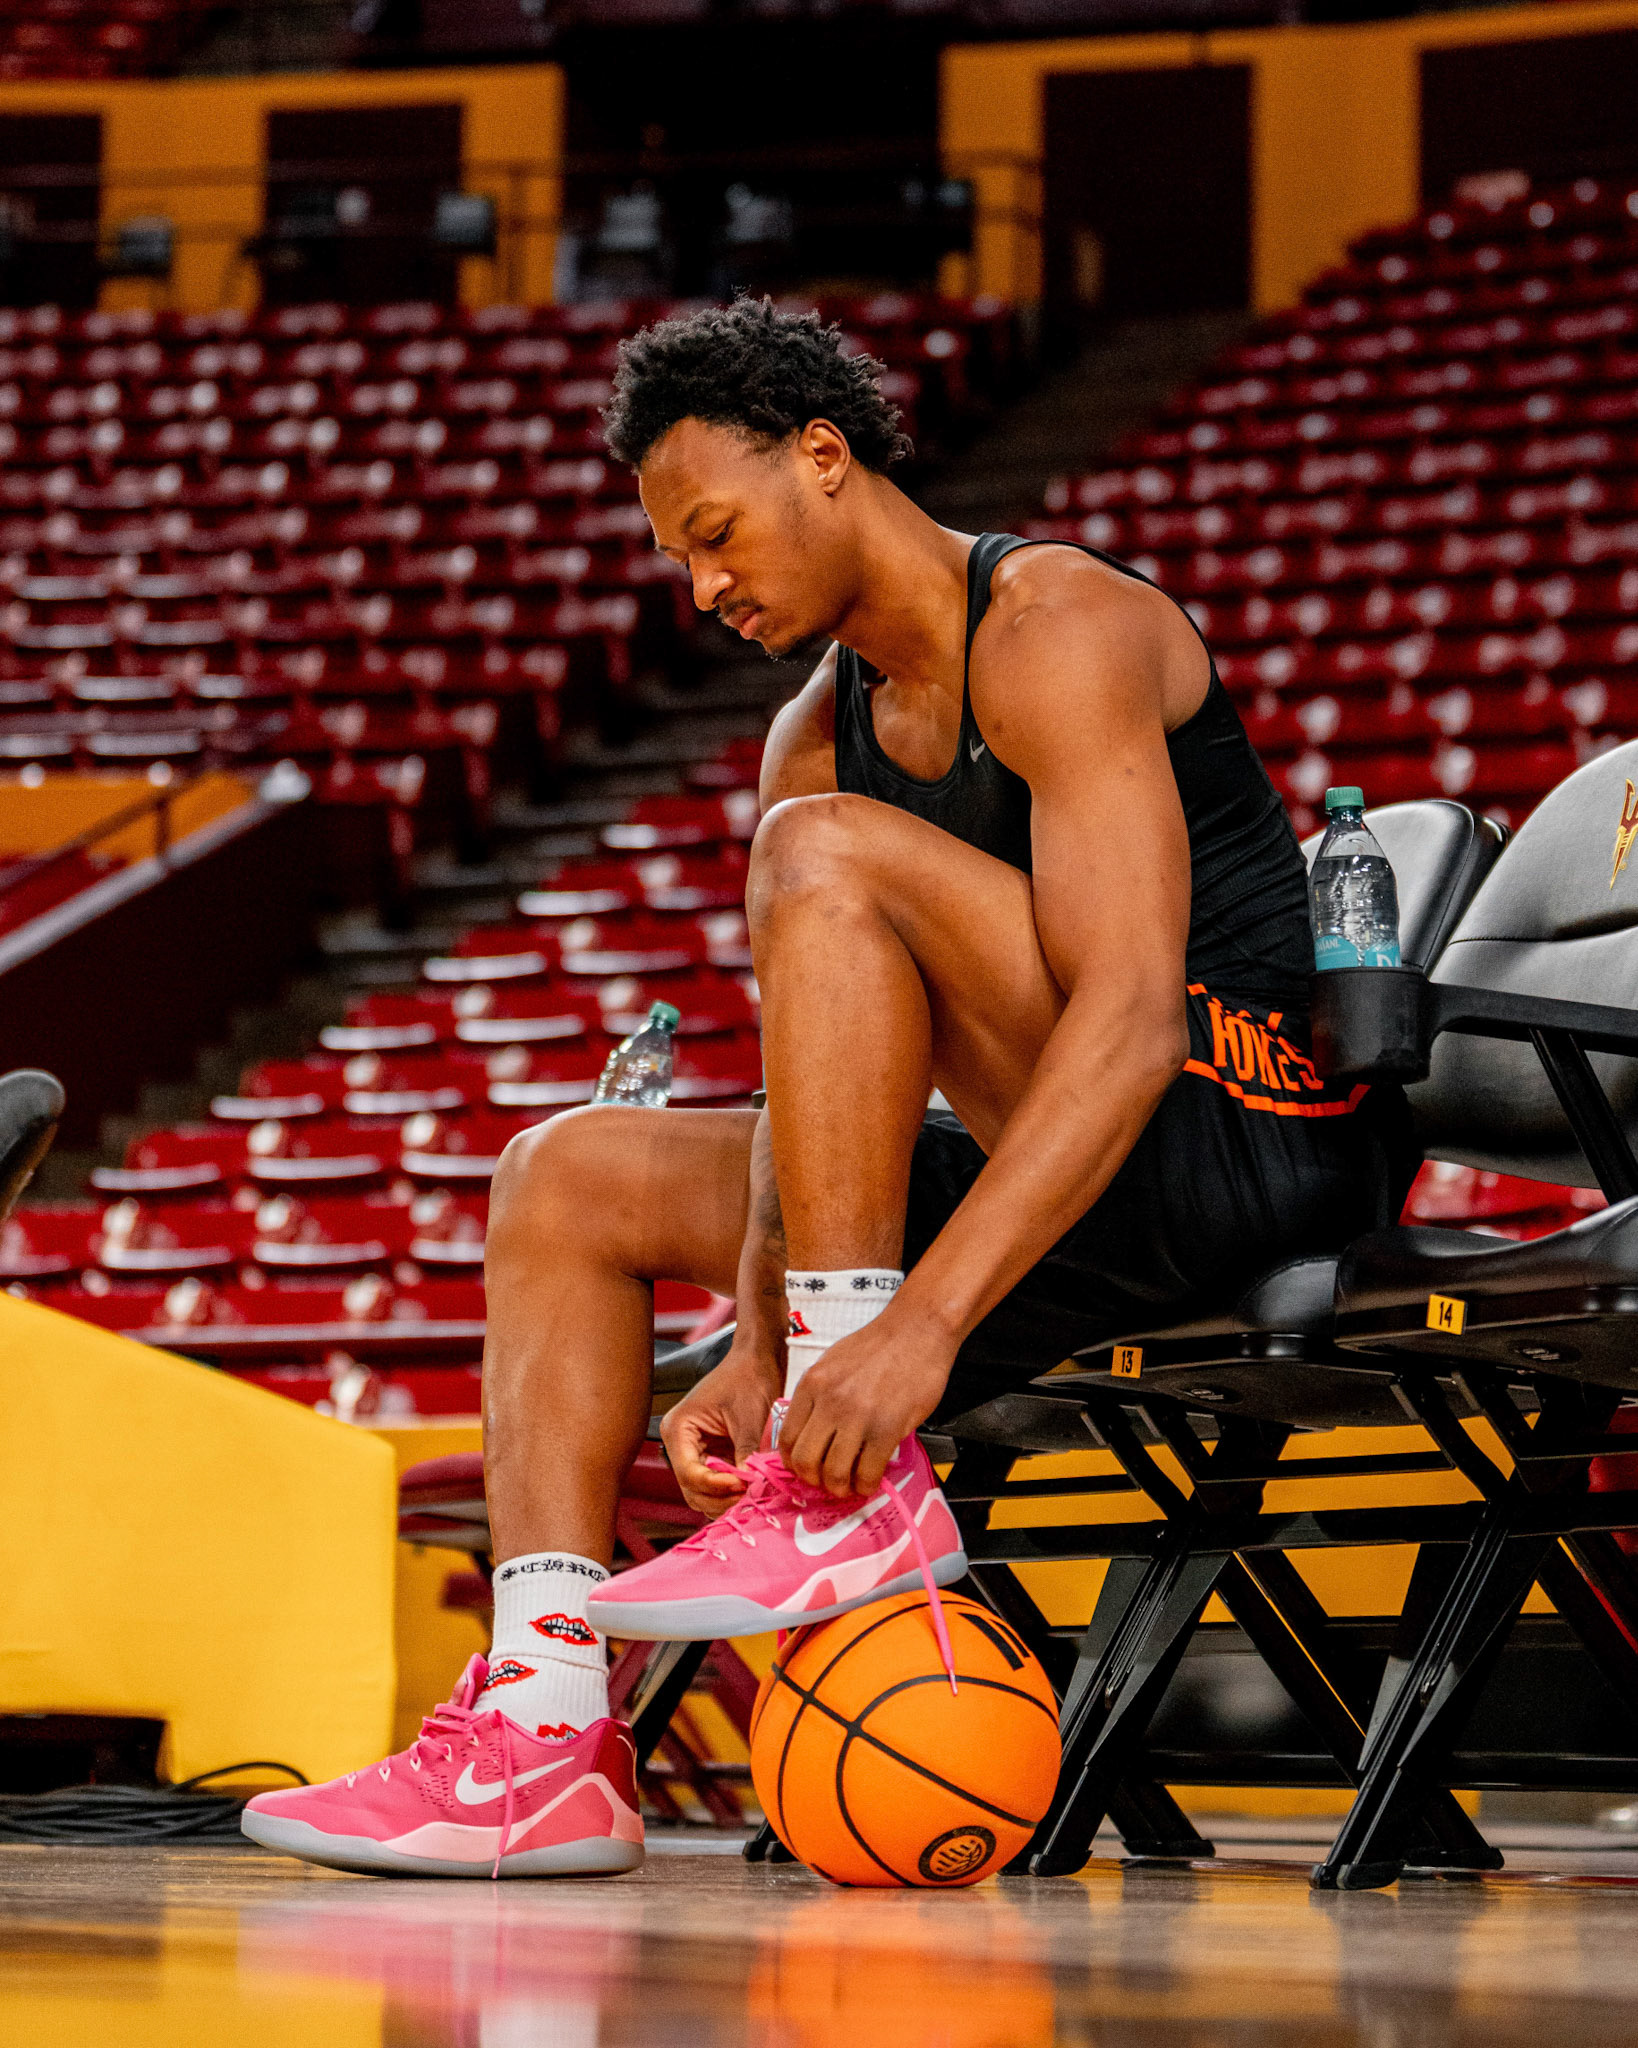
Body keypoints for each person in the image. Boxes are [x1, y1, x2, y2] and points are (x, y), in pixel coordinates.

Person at [243, 298, 1414, 1877]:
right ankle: (540, 1730)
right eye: (678, 558)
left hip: (1244, 1131)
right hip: (1054, 1177)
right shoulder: (815, 739)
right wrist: (754, 1327)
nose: (703, 584)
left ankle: (841, 1471)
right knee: (563, 1175)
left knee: (825, 860)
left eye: (716, 534)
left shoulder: (1057, 627)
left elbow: (1132, 1019)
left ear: (823, 455)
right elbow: (816, 1083)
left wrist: (906, 1336)